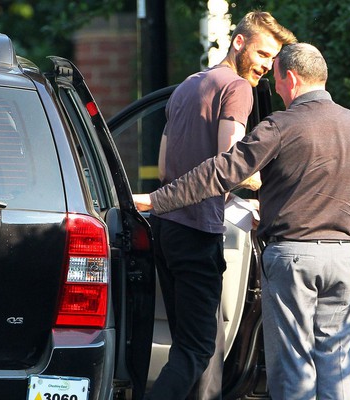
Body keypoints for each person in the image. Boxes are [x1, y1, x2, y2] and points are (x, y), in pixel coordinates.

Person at [134, 43, 350, 400]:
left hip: (293, 257)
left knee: (294, 369)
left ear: (291, 78)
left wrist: (157, 200)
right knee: (336, 367)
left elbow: (220, 172)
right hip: (344, 259)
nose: (274, 88)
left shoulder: (282, 126)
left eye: (276, 79)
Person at [143, 10, 296, 400]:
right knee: (197, 351)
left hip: (166, 227)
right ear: (239, 42)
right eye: (262, 54)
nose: (265, 65)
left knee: (190, 345)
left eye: (272, 59)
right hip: (197, 230)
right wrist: (270, 185)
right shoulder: (237, 89)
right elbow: (232, 165)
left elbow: (163, 165)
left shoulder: (187, 86)